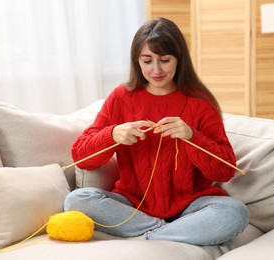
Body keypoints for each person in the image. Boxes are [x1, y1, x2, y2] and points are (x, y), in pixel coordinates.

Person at [64, 17, 249, 246]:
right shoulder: (121, 97)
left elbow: (225, 170)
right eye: (147, 60)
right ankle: (162, 232)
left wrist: (193, 137)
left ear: (179, 60)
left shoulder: (200, 103)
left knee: (235, 212)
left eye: (165, 60)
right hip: (132, 204)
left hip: (190, 206)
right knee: (77, 200)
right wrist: (112, 135)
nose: (156, 69)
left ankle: (150, 237)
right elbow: (80, 157)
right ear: (137, 61)